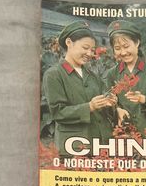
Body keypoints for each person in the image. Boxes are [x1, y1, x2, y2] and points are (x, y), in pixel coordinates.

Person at [43, 20, 115, 155]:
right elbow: (58, 112)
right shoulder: (54, 75)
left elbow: (104, 104)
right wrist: (90, 107)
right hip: (74, 147)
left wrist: (111, 103)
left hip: (101, 144)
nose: (89, 53)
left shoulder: (93, 76)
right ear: (69, 43)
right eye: (85, 47)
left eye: (92, 50)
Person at [105, 20, 146, 136]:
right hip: (125, 134)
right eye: (117, 48)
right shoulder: (111, 74)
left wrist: (143, 99)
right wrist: (117, 110)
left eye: (126, 46)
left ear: (137, 43)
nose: (123, 52)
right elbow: (108, 101)